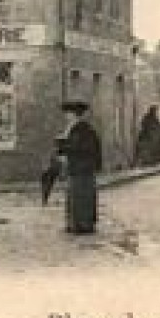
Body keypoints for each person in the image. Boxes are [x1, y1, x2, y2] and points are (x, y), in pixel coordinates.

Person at [60, 100, 103, 234]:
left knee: (82, 196)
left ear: (75, 115)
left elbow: (82, 148)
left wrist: (64, 147)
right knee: (75, 196)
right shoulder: (75, 129)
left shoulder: (83, 130)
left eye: (69, 114)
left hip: (82, 169)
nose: (66, 117)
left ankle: (83, 224)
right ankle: (76, 223)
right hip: (77, 168)